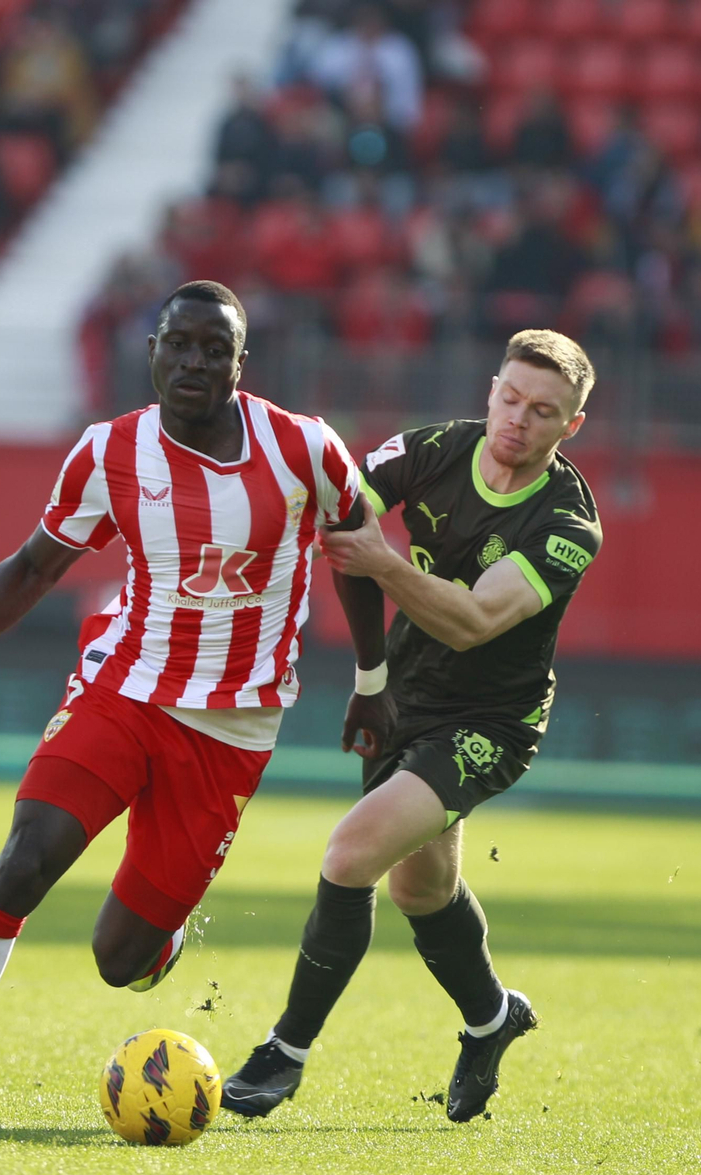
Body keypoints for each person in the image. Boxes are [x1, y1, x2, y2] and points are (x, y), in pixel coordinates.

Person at [0, 281, 371, 1126]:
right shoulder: (109, 451)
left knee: (118, 960)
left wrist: (373, 684)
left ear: (241, 365)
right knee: (24, 861)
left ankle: (157, 937)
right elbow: (34, 565)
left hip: (232, 728)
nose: (193, 361)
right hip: (123, 689)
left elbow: (362, 553)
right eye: (178, 343)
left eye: (213, 349)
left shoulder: (304, 450)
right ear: (151, 350)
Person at [221, 329, 603, 1125]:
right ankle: (493, 1019)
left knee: (351, 853)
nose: (518, 420)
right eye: (509, 398)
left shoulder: (568, 524)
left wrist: (384, 561)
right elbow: (338, 501)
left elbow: (472, 622)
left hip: (492, 720)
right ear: (490, 388)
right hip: (408, 692)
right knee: (419, 886)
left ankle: (283, 1054)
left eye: (543, 412)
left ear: (570, 427)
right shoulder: (431, 449)